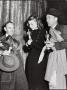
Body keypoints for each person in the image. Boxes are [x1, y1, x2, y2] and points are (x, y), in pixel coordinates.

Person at [23, 15, 50, 90]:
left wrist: (31, 43)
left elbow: (44, 48)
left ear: (37, 23)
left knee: (39, 82)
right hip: (31, 59)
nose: (30, 26)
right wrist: (27, 45)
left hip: (40, 59)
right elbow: (27, 49)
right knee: (30, 81)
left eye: (32, 24)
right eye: (29, 24)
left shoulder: (43, 32)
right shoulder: (30, 33)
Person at [0, 22, 29, 90]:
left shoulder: (15, 40)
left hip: (18, 69)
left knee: (21, 86)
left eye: (13, 28)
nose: (12, 29)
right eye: (9, 28)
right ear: (5, 29)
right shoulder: (1, 39)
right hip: (7, 69)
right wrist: (2, 52)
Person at [44, 8, 67, 89]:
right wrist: (48, 48)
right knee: (52, 85)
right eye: (46, 18)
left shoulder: (64, 28)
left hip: (62, 63)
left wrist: (54, 44)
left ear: (56, 18)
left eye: (49, 17)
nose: (47, 20)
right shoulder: (49, 31)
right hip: (52, 62)